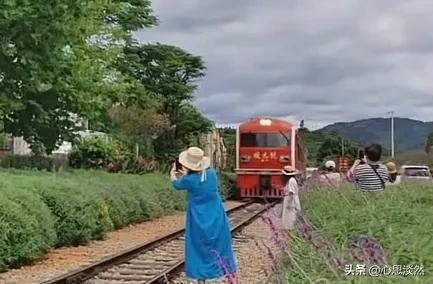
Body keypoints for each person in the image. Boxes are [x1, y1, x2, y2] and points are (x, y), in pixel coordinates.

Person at [170, 147, 236, 283]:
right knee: (218, 240)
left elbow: (176, 184)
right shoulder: (212, 174)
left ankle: (200, 273)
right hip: (215, 211)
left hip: (198, 214)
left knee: (197, 243)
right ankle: (220, 270)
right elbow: (201, 179)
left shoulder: (189, 180)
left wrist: (173, 173)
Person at [281, 165, 301, 230]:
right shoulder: (291, 180)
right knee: (289, 216)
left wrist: (288, 204)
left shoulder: (291, 181)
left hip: (291, 200)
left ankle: (289, 229)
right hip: (290, 200)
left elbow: (291, 193)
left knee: (290, 216)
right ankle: (289, 229)